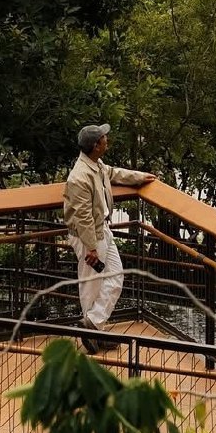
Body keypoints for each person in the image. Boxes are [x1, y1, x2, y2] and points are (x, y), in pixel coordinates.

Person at [62, 122, 155, 351]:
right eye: (104, 138)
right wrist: (91, 248)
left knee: (115, 276)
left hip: (101, 230)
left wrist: (140, 177)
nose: (107, 140)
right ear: (95, 145)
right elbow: (83, 217)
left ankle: (92, 324)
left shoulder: (96, 164)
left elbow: (113, 173)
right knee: (91, 285)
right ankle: (94, 332)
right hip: (89, 236)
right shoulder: (79, 177)